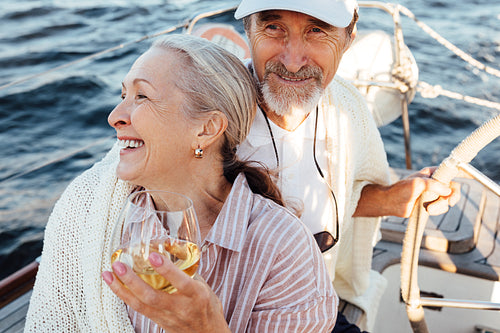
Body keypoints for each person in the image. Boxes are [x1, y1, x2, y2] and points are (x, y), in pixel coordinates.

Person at [24, 34, 337, 332]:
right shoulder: (89, 212)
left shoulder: (284, 251)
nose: (115, 116)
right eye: (123, 96)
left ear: (207, 129)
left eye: (141, 96)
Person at [233, 0, 460, 331]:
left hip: (316, 303)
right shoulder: (211, 108)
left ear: (348, 38)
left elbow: (344, 195)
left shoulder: (347, 106)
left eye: (317, 30)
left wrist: (396, 198)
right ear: (248, 30)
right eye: (273, 28)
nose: (293, 61)